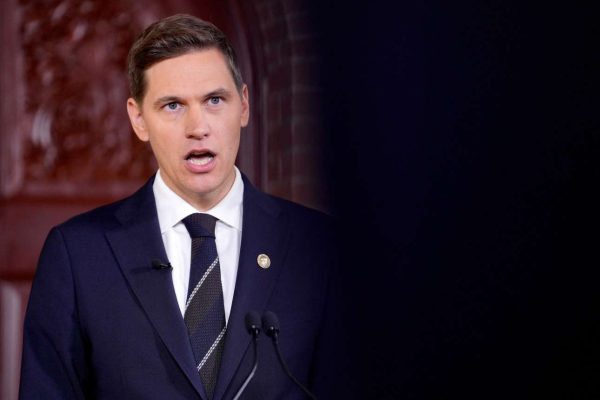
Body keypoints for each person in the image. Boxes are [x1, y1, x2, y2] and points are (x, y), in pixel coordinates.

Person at [19, 14, 343, 400]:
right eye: (173, 105)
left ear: (243, 105)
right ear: (139, 119)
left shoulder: (317, 247)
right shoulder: (78, 254)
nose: (197, 127)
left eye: (214, 100)